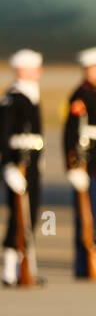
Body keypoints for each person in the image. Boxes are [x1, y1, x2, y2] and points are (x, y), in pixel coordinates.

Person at [63, 46, 96, 280]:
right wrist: (73, 166)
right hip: (87, 164)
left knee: (94, 215)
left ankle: (91, 260)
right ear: (91, 70)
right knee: (85, 215)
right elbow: (70, 133)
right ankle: (83, 264)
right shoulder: (81, 96)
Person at [1, 49, 44, 287]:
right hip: (17, 166)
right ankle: (9, 269)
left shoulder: (32, 94)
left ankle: (25, 266)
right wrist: (7, 167)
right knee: (17, 218)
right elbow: (3, 136)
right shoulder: (13, 98)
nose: (39, 71)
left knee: (32, 214)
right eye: (34, 67)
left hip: (33, 164)